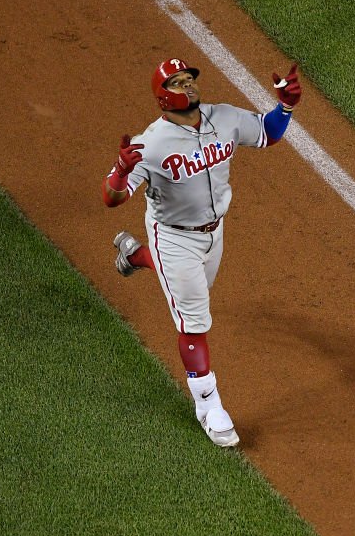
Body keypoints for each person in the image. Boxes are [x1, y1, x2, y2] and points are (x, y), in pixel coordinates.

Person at [102, 57, 302, 447]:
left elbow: (267, 132)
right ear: (163, 97)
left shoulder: (223, 118)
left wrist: (287, 108)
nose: (188, 86)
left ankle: (134, 256)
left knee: (194, 293)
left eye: (189, 79)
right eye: (177, 83)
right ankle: (209, 406)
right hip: (173, 237)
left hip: (215, 233)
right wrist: (121, 172)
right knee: (194, 320)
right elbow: (113, 198)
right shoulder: (152, 143)